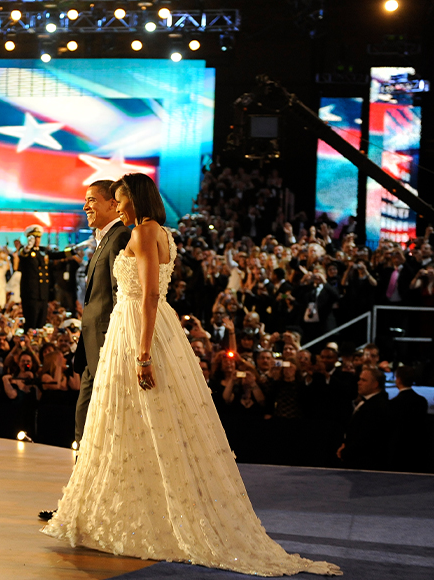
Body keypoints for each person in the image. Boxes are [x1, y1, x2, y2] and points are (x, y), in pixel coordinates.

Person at [42, 173, 340, 576]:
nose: (119, 204)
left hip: (138, 329)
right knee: (134, 422)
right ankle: (136, 507)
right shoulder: (159, 232)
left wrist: (143, 353)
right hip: (140, 328)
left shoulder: (146, 233)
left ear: (135, 199)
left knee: (139, 418)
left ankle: (153, 516)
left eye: (121, 197)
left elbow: (148, 294)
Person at [38, 179, 130, 521]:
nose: (85, 206)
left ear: (111, 203)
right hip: (93, 351)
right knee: (85, 427)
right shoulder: (104, 239)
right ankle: (78, 503)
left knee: (96, 428)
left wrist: (111, 348)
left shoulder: (120, 237)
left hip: (108, 349)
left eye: (91, 200)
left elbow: (122, 298)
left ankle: (89, 506)